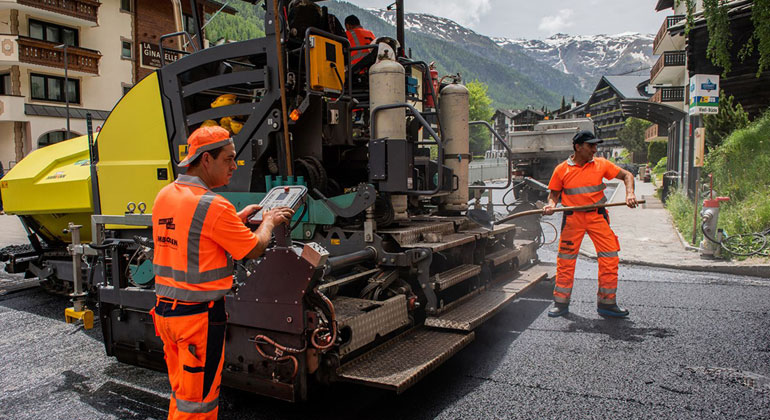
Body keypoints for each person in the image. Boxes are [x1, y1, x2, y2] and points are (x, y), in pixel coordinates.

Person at [151, 126, 294, 419]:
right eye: (228, 159)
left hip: (166, 315)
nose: (234, 165)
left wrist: (236, 221)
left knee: (183, 396)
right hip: (198, 321)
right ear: (206, 160)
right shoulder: (213, 206)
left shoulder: (165, 195)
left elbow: (193, 243)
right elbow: (253, 248)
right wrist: (269, 221)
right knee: (199, 404)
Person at [543, 130, 638, 318]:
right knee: (566, 262)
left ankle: (607, 303)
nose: (595, 149)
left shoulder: (601, 164)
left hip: (597, 216)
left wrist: (630, 193)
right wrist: (551, 204)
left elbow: (627, 175)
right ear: (578, 147)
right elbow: (554, 193)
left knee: (610, 258)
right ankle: (560, 303)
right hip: (572, 219)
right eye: (591, 146)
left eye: (596, 145)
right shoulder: (561, 169)